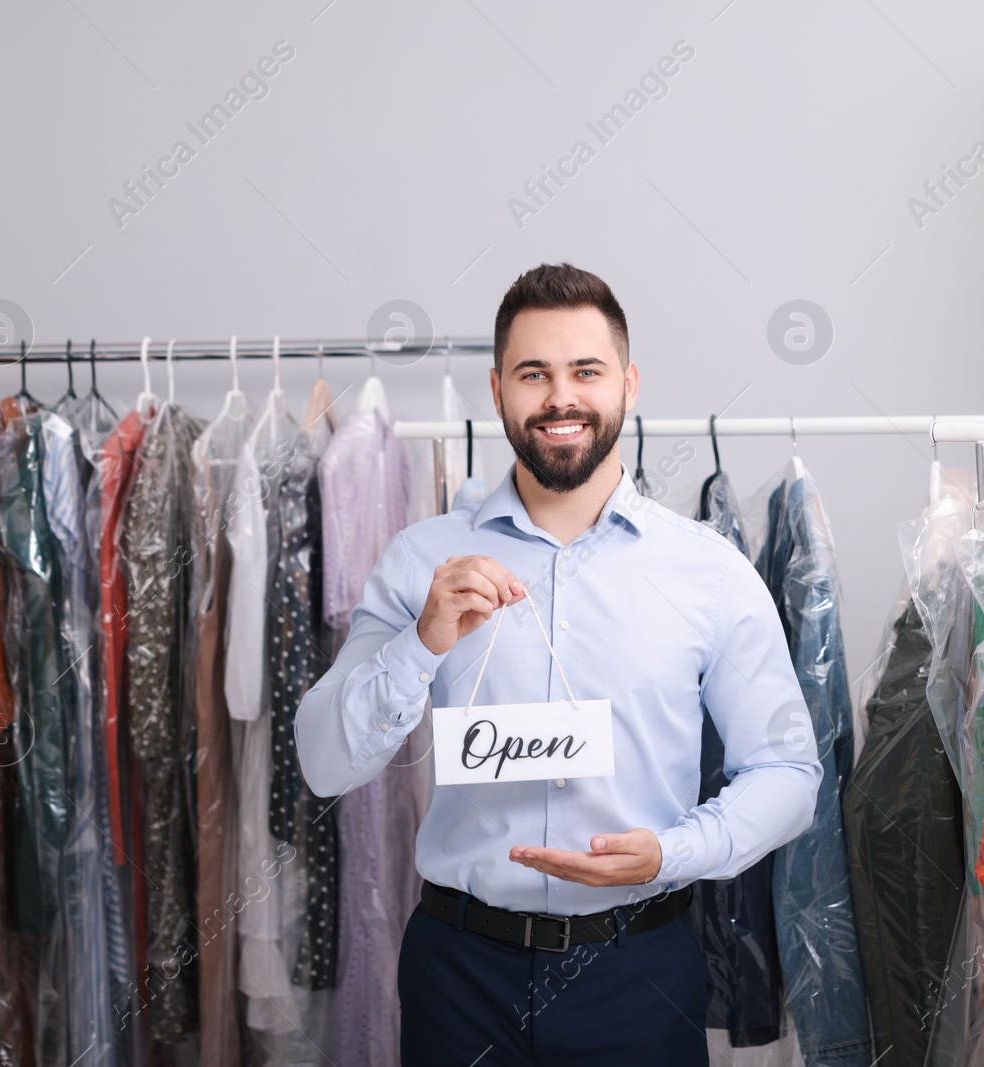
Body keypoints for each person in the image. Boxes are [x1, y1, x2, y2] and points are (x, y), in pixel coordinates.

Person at [294, 262, 824, 1066]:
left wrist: (674, 852)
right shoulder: (422, 561)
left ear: (628, 383)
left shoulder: (710, 572)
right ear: (500, 387)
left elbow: (789, 771)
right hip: (458, 972)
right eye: (534, 373)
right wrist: (421, 643)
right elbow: (323, 760)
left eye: (586, 371)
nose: (560, 397)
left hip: (637, 969)